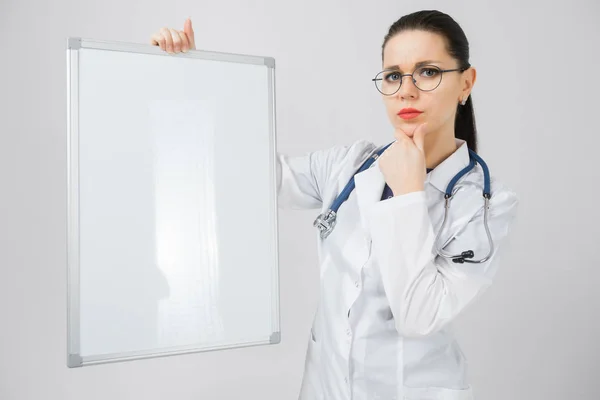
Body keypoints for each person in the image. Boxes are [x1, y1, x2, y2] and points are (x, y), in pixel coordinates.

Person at [151, 9, 519, 400]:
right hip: (325, 387)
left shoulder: (487, 206)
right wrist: (191, 78)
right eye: (393, 75)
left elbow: (418, 316)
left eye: (428, 72)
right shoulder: (350, 165)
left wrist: (409, 194)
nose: (406, 91)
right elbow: (248, 178)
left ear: (466, 83)